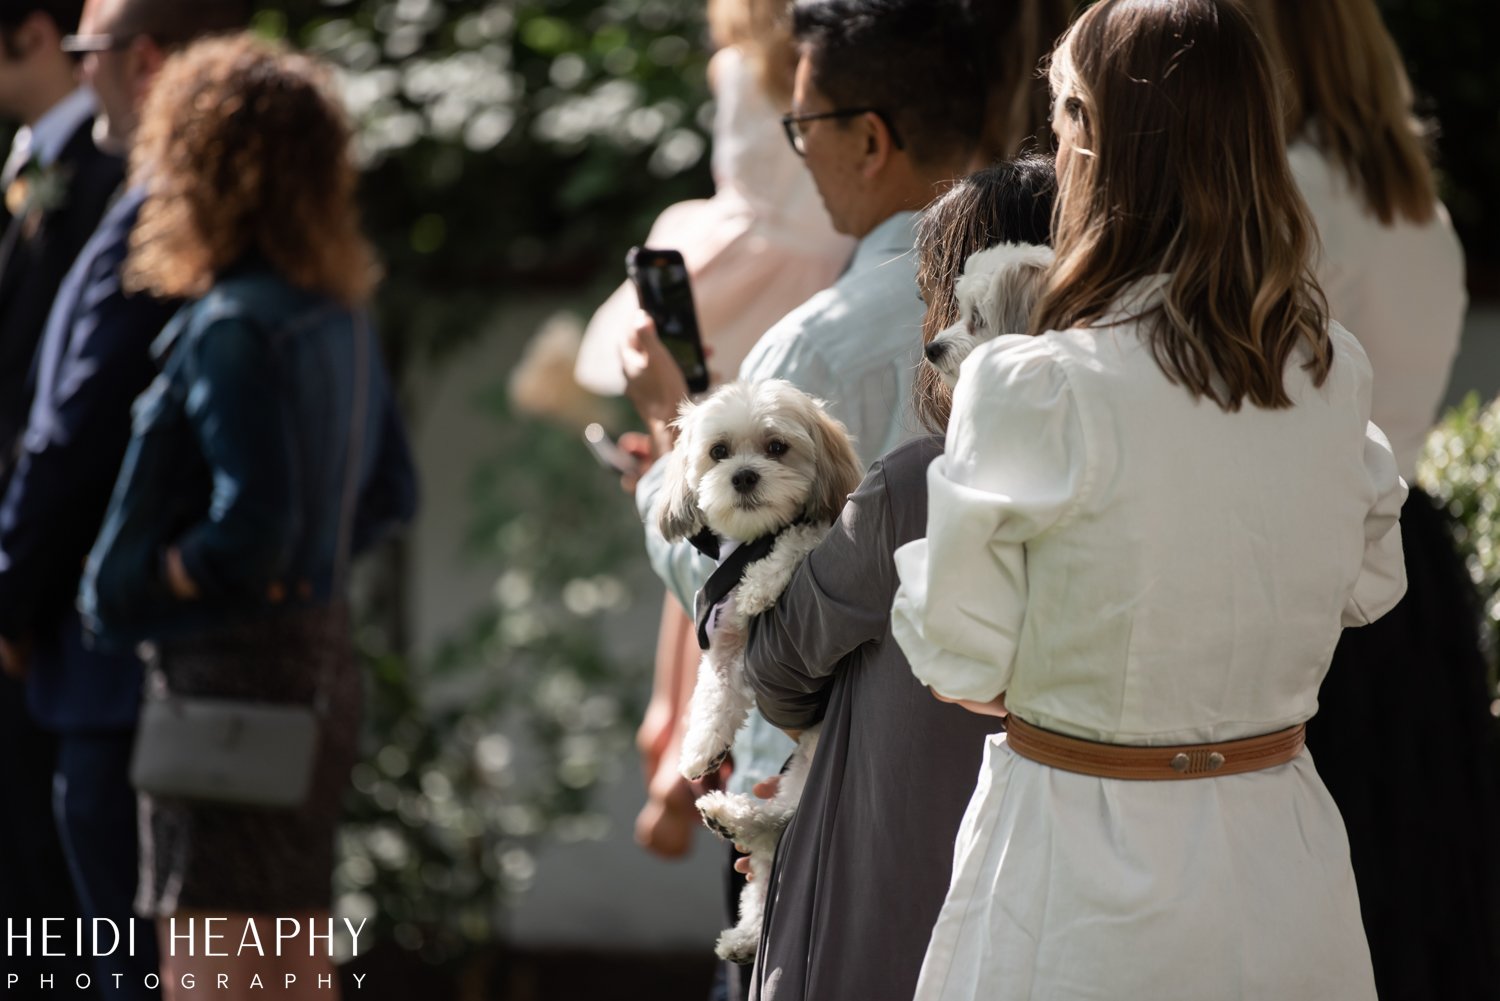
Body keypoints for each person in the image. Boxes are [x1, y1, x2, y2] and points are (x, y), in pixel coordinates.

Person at [891, 2, 1405, 998]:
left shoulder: (1035, 384)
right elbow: (1370, 582)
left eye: (1062, 118)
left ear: (1091, 138)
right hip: (1278, 851)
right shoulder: (1331, 375)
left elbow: (961, 658)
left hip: (1079, 865)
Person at [621, 1, 987, 991]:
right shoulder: (1039, 308)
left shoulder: (813, 343)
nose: (797, 152)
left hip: (815, 788)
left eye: (802, 128)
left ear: (869, 138)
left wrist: (666, 440)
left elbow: (734, 577)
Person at [76, 33, 416, 1001]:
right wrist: (304, 568)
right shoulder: (337, 315)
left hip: (224, 685)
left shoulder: (233, 323)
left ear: (205, 165)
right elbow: (391, 491)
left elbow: (250, 525)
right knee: (287, 961)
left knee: (219, 971)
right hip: (315, 665)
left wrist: (174, 570)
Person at [741, 156, 1055, 1001]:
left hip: (890, 898)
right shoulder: (1132, 485)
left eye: (935, 297)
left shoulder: (921, 486)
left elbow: (771, 667)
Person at [1246, 3, 1500, 996]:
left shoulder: (1294, 194)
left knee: (1340, 860)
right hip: (1413, 552)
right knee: (1416, 859)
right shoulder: (1418, 207)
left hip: (1324, 555)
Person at [0, 1, 248, 995]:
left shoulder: (152, 222)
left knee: (124, 965)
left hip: (115, 666)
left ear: (142, 62)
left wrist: (12, 597)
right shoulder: (287, 261)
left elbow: (73, 434)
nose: (77, 68)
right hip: (242, 682)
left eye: (88, 49)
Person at [0, 0, 118, 985]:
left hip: (59, 599)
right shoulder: (43, 169)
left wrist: (14, 589)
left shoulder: (107, 177)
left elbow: (67, 422)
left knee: (64, 906)